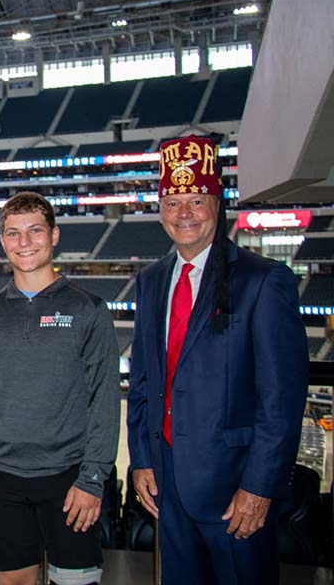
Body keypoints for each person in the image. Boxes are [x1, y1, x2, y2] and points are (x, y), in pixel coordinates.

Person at [127, 135, 310, 584]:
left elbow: (281, 399)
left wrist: (259, 487)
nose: (183, 214)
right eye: (172, 202)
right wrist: (142, 458)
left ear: (217, 204)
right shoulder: (150, 280)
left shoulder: (263, 281)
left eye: (196, 200)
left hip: (234, 489)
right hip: (167, 483)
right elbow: (145, 380)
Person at [0, 192, 120, 585]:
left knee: (75, 582)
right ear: (2, 242)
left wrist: (92, 478)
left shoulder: (88, 310)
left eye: (35, 231)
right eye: (13, 233)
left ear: (54, 235)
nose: (24, 242)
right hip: (0, 477)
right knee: (13, 581)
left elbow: (103, 402)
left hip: (69, 478)